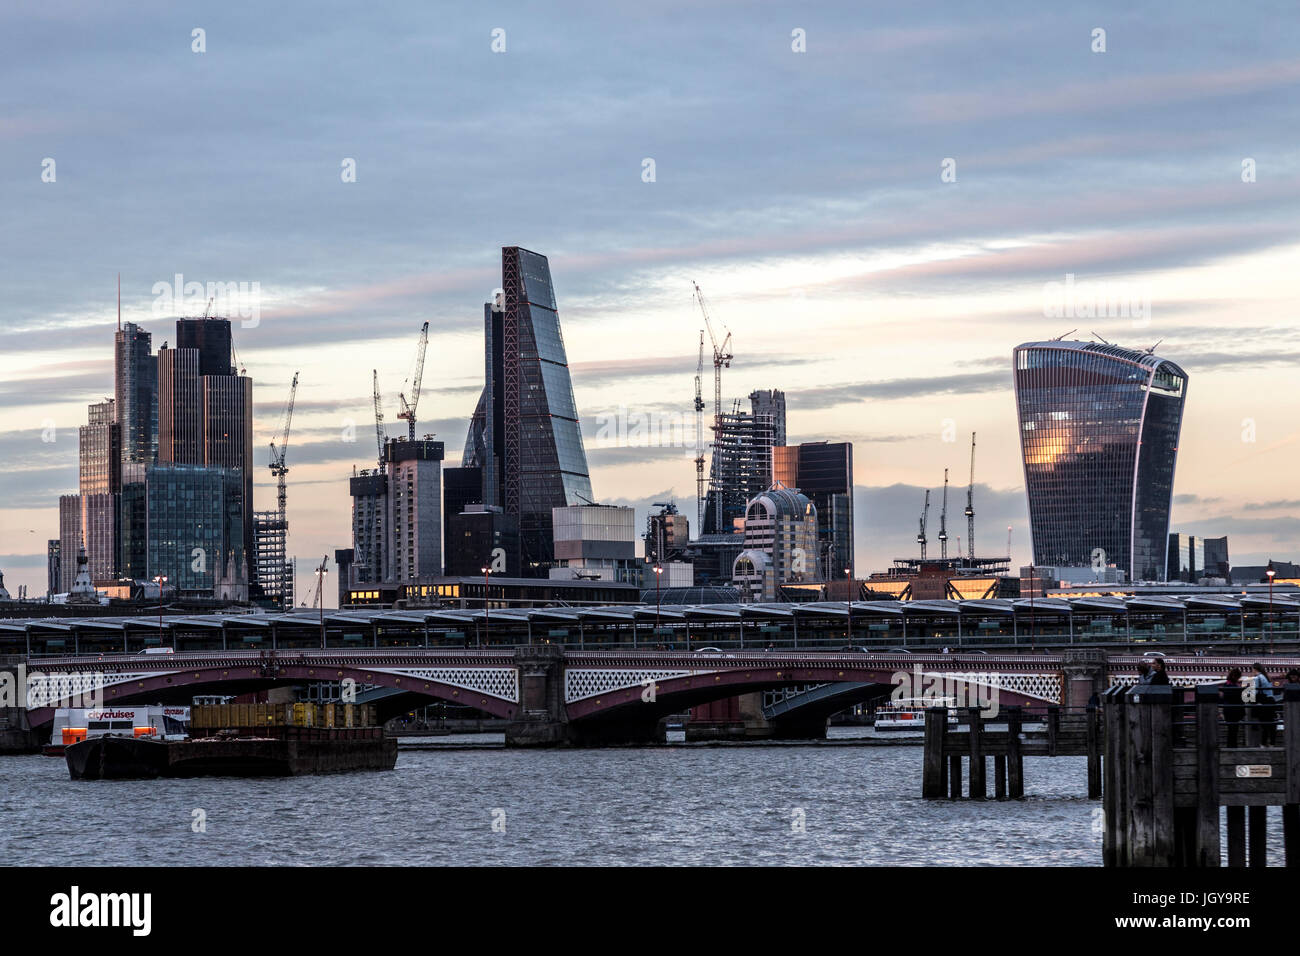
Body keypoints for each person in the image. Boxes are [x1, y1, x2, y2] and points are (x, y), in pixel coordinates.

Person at [1251, 663, 1278, 745]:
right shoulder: (1266, 677)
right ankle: (1272, 743)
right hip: (1271, 700)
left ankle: (1263, 743)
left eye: (1252, 669)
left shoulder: (1257, 678)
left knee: (1264, 724)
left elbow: (1255, 692)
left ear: (1255, 669)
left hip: (1263, 701)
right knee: (1271, 723)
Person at [1222, 667, 1245, 747]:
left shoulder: (1226, 685)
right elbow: (1239, 699)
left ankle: (1230, 745)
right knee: (1234, 730)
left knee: (1231, 730)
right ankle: (1233, 746)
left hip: (1227, 709)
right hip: (1234, 710)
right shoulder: (1234, 687)